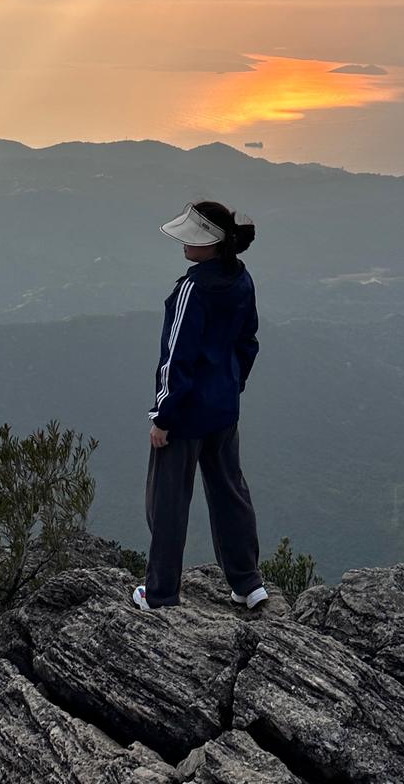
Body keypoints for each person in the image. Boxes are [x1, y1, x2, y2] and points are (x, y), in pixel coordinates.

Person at [132, 200, 267, 611]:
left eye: (192, 238)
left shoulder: (192, 290)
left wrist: (163, 417)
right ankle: (248, 584)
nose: (184, 245)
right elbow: (248, 343)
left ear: (210, 244)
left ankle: (160, 593)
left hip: (186, 417)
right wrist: (231, 387)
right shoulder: (241, 280)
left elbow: (176, 361)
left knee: (168, 502)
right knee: (230, 493)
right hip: (224, 411)